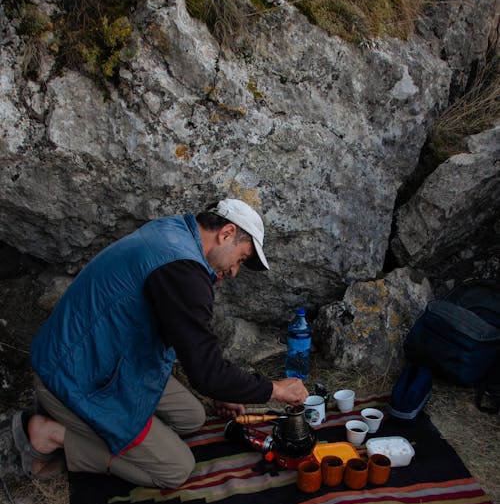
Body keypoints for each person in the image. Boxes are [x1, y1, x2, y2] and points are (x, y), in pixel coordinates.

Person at [12, 199, 308, 487]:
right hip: (75, 375)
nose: (234, 271)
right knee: (174, 469)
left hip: (104, 354)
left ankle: (120, 429)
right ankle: (50, 433)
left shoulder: (174, 232)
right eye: (241, 259)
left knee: (192, 417)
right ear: (226, 233)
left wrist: (223, 386)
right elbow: (207, 373)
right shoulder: (182, 271)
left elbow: (196, 350)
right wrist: (275, 390)